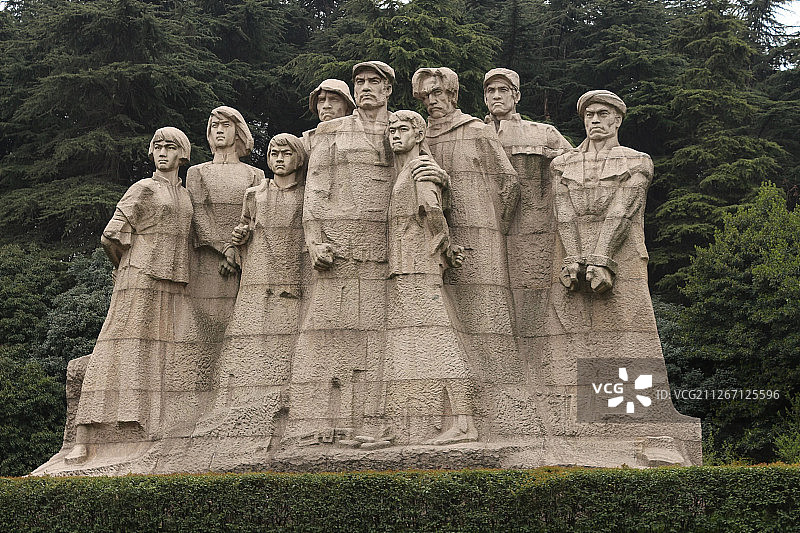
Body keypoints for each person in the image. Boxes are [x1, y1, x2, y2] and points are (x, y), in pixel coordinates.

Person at [66, 127, 194, 464]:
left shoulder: (185, 194)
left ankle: (147, 423)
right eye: (158, 147)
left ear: (183, 153)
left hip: (173, 280)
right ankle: (88, 432)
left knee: (157, 352)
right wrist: (125, 267)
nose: (163, 152)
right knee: (119, 345)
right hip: (140, 275)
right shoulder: (144, 188)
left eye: (171, 147)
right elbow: (111, 235)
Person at [412, 67, 522, 435]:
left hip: (481, 233)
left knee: (488, 314)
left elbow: (508, 182)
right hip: (432, 240)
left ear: (453, 94)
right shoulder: (416, 135)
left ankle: (504, 403)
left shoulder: (476, 130)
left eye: (438, 94)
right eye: (426, 96)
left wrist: (492, 226)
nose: (432, 101)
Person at [193, 134, 308, 444]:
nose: (279, 159)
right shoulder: (255, 194)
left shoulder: (307, 194)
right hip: (258, 277)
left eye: (286, 154)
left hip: (292, 278)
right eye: (273, 154)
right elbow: (242, 231)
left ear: (298, 158)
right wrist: (235, 243)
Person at [384, 110, 477, 445]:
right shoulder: (407, 169)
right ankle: (408, 426)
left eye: (402, 129)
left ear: (419, 134)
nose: (394, 134)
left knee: (442, 343)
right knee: (420, 345)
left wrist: (443, 246)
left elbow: (433, 210)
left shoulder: (421, 169)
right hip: (406, 265)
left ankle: (465, 424)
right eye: (391, 129)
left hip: (417, 264)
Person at [482, 68, 572, 383]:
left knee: (531, 297)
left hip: (533, 231)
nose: (495, 96)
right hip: (483, 234)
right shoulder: (474, 133)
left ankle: (536, 372)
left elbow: (573, 174)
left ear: (516, 95)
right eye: (490, 91)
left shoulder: (542, 134)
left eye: (502, 90)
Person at [182, 106, 265, 429]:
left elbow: (258, 216)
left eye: (226, 125)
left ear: (239, 131)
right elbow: (198, 214)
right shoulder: (198, 172)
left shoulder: (255, 175)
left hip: (246, 261)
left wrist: (239, 247)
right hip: (209, 261)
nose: (219, 130)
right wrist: (225, 248)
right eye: (214, 125)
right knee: (206, 326)